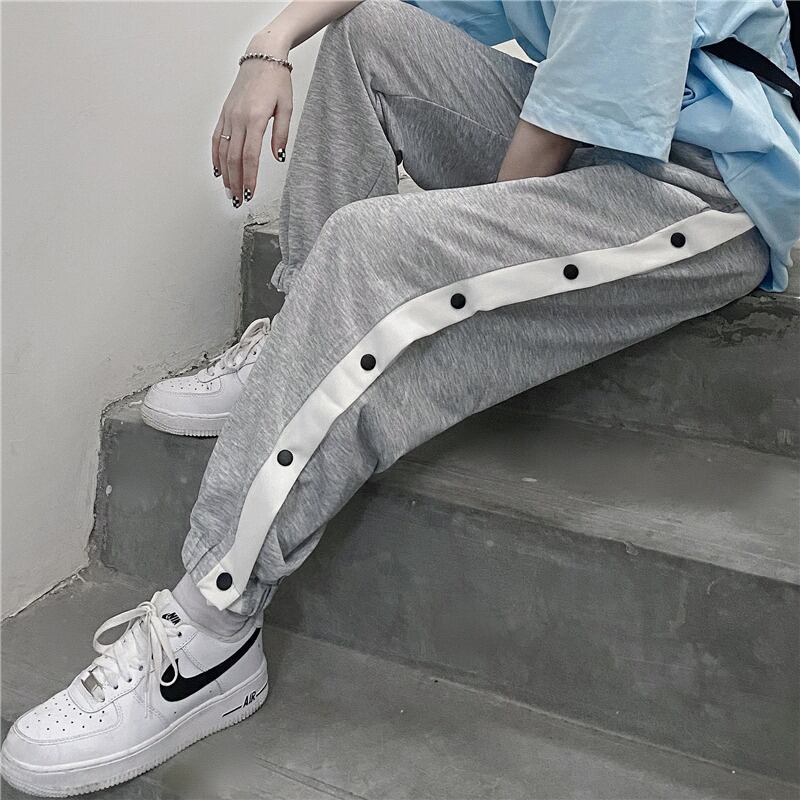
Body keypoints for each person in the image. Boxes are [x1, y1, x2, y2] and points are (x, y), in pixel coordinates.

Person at [3, 0, 798, 795]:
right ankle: (298, 339)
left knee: (369, 246)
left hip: (705, 184)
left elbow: (543, 149)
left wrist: (441, 249)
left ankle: (212, 628)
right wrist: (270, 44)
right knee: (370, 35)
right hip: (611, 135)